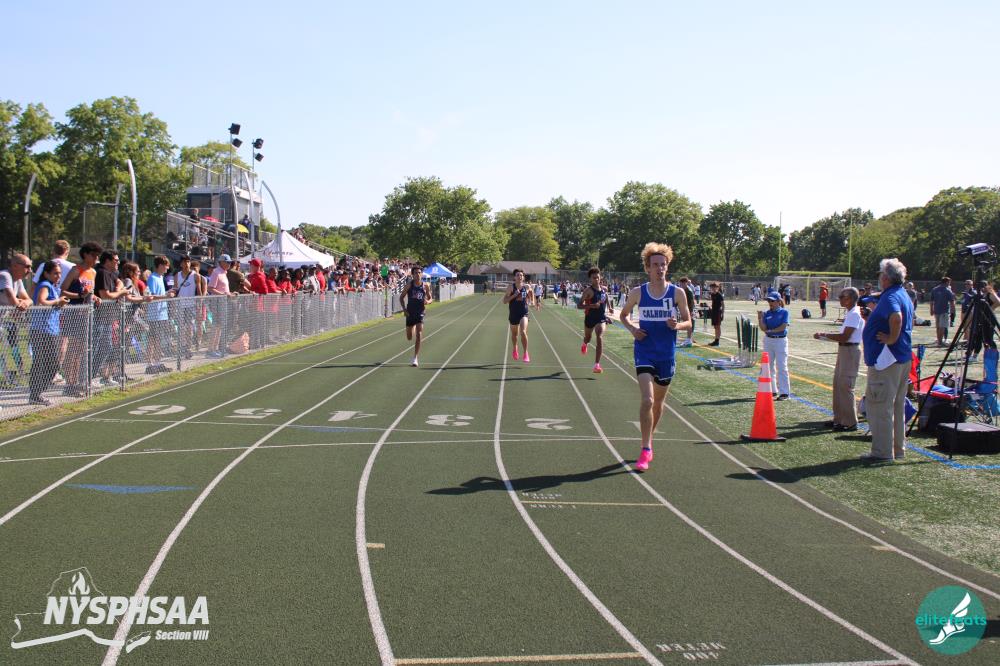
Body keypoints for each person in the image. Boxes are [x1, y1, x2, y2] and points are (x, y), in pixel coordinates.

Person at [619, 243, 691, 472]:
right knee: (648, 400)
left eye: (663, 264)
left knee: (658, 403)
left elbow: (689, 322)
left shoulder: (677, 293)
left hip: (666, 354)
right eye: (655, 265)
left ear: (667, 267)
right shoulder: (638, 292)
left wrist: (677, 325)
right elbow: (623, 315)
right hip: (644, 351)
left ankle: (649, 438)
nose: (660, 268)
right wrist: (633, 329)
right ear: (647, 268)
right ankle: (645, 447)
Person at [861, 258, 914, 462]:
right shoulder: (903, 294)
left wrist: (891, 338)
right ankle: (897, 449)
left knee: (880, 405)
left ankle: (882, 452)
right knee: (897, 405)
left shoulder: (891, 296)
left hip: (887, 359)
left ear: (886, 277)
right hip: (900, 357)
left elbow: (896, 318)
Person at [814, 288, 864, 431]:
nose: (840, 299)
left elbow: (845, 337)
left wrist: (824, 335)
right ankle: (839, 418)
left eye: (843, 296)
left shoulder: (854, 314)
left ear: (851, 298)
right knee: (838, 385)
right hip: (845, 349)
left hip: (850, 350)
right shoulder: (851, 313)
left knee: (846, 386)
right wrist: (825, 336)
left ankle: (850, 421)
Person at [28, 260, 71, 405]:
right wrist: (57, 301)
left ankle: (36, 393)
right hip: (41, 330)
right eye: (55, 273)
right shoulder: (45, 285)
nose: (58, 276)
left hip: (50, 329)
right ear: (46, 274)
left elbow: (52, 305)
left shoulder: (53, 286)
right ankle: (35, 394)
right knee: (46, 363)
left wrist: (60, 303)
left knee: (49, 363)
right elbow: (41, 301)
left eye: (60, 273)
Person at [1, 254, 34, 387]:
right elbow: (13, 301)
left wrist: (24, 303)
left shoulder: (18, 280)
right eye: (27, 266)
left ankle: (8, 377)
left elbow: (29, 300)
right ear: (15, 266)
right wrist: (19, 303)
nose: (30, 270)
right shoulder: (5, 276)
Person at [578, 267, 614, 373]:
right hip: (590, 318)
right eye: (594, 278)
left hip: (601, 318)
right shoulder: (588, 291)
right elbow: (579, 305)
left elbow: (605, 297)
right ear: (590, 279)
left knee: (599, 336)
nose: (596, 279)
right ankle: (585, 344)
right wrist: (592, 306)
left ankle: (596, 365)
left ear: (600, 277)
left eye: (598, 277)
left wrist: (609, 307)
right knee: (588, 338)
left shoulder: (604, 289)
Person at [758, 293, 791, 400]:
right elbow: (763, 328)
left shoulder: (784, 312)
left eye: (772, 301)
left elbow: (783, 327)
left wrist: (771, 331)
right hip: (768, 341)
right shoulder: (767, 313)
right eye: (769, 301)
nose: (770, 303)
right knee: (768, 366)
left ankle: (784, 392)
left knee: (782, 366)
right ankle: (772, 390)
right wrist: (760, 319)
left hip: (780, 341)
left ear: (778, 301)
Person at [399, 265, 432, 367]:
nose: (417, 274)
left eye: (419, 273)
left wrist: (428, 301)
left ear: (421, 274)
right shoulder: (409, 285)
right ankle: (411, 327)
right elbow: (401, 297)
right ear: (412, 275)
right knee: (409, 337)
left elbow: (430, 298)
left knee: (419, 334)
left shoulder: (425, 285)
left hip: (420, 312)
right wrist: (404, 309)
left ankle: (415, 358)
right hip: (410, 312)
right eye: (415, 273)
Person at [503, 268, 533, 363]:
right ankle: (515, 348)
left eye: (521, 275)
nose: (519, 276)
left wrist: (531, 301)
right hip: (513, 313)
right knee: (514, 335)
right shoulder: (511, 287)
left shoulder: (527, 286)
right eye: (517, 275)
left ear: (523, 277)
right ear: (514, 277)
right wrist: (514, 295)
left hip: (524, 312)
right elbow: (504, 301)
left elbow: (531, 292)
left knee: (523, 332)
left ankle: (525, 353)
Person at [929, 276, 956, 347]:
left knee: (938, 327)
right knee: (942, 327)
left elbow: (931, 301)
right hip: (944, 311)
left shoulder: (934, 289)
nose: (949, 284)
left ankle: (939, 341)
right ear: (947, 282)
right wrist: (953, 312)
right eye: (949, 282)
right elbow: (952, 301)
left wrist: (931, 309)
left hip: (936, 310)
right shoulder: (947, 290)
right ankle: (940, 342)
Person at [676, 277, 695, 347]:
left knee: (688, 324)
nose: (681, 285)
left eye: (683, 283)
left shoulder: (689, 291)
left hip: (689, 309)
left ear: (686, 283)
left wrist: (691, 311)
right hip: (685, 309)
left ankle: (689, 340)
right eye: (680, 284)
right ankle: (689, 339)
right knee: (687, 324)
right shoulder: (683, 290)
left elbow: (692, 302)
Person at [707, 282, 724, 346]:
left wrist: (722, 313)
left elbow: (723, 305)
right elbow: (713, 302)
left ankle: (717, 341)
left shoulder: (719, 295)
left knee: (718, 326)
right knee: (715, 326)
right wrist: (710, 306)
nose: (713, 288)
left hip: (718, 312)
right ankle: (716, 340)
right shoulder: (712, 295)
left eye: (714, 287)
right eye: (712, 287)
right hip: (713, 312)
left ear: (717, 288)